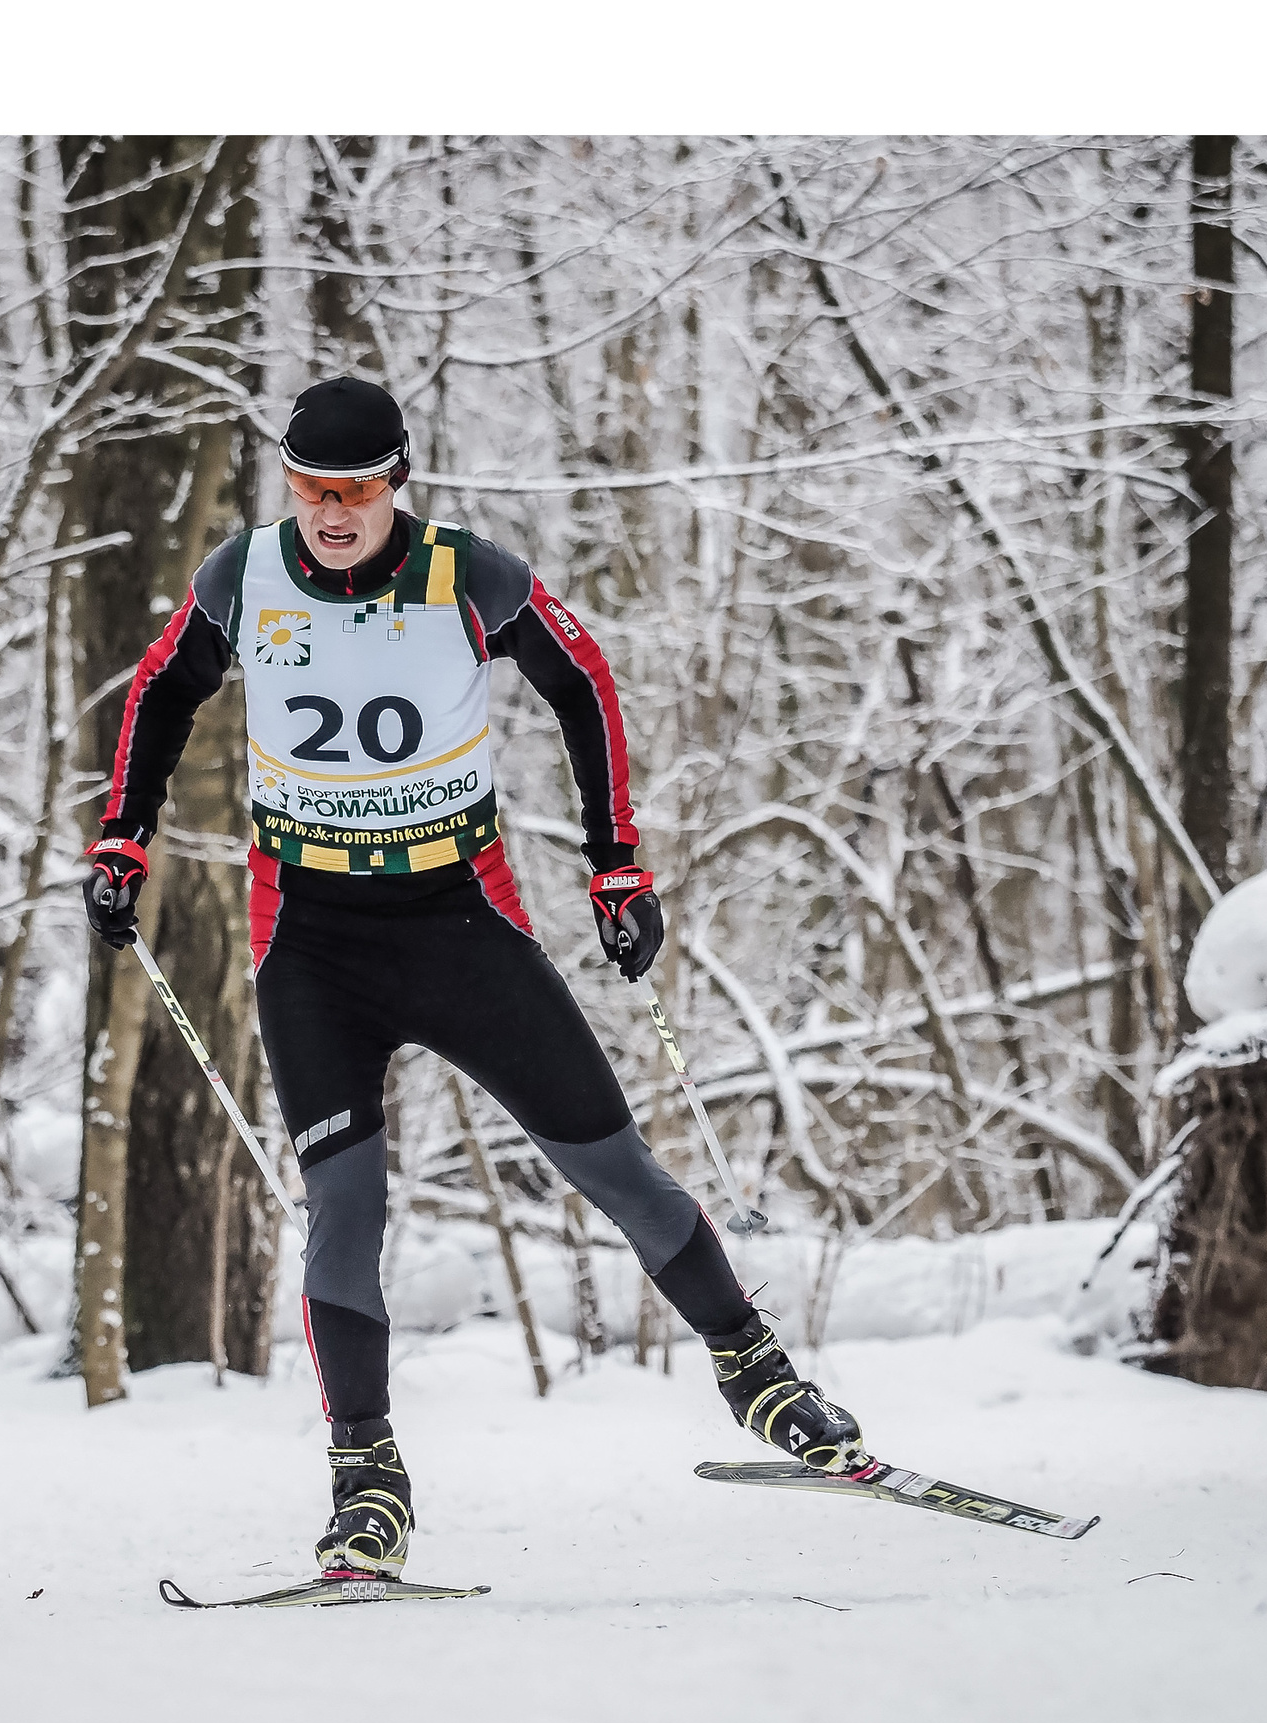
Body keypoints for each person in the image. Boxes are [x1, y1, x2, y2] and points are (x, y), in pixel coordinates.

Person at [81, 375, 867, 1579]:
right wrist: (122, 840)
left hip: (459, 922)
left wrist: (617, 865)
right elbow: (160, 689)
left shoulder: (464, 575)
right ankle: (366, 1481)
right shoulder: (246, 576)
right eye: (308, 488)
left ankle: (758, 1376)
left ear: (397, 483)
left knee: (613, 1166)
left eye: (353, 491)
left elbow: (582, 680)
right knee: (347, 1208)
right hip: (311, 939)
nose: (329, 512)